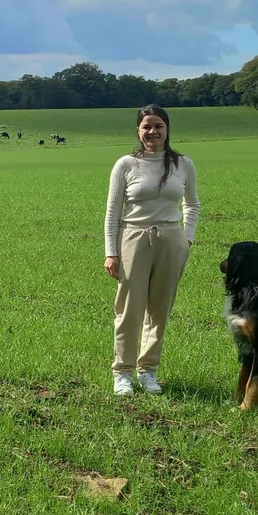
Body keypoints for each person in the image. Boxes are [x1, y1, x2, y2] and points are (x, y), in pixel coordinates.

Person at [103, 105, 200, 397]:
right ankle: (123, 373)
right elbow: (112, 211)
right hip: (133, 237)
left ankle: (148, 371)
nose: (152, 132)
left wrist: (187, 239)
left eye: (158, 126)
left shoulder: (183, 164)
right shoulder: (125, 164)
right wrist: (111, 251)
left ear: (167, 129)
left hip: (171, 240)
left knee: (160, 309)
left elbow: (192, 204)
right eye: (146, 126)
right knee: (129, 309)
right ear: (138, 130)